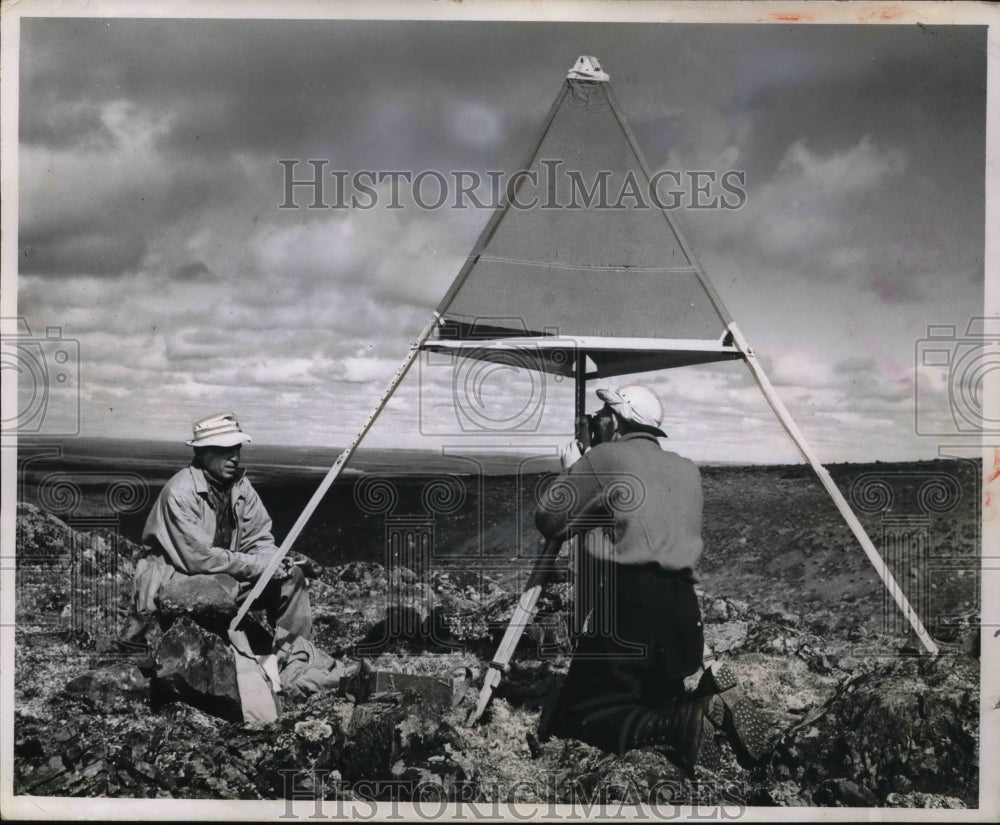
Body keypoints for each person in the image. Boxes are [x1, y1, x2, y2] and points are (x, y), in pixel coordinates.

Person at [535, 386, 767, 774]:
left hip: (632, 608)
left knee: (577, 718)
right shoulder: (685, 467)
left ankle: (679, 724)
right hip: (683, 617)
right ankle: (704, 696)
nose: (597, 420)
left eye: (602, 414)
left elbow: (549, 520)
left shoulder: (605, 458)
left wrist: (573, 470)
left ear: (616, 420)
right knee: (649, 698)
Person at [129, 411, 348, 698]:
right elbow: (199, 559)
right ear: (202, 453)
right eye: (224, 450)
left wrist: (274, 562)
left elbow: (260, 538)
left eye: (236, 448)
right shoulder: (180, 493)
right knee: (217, 592)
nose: (234, 456)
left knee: (292, 578)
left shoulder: (241, 488)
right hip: (177, 580)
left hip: (225, 576)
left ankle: (297, 661)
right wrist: (260, 566)